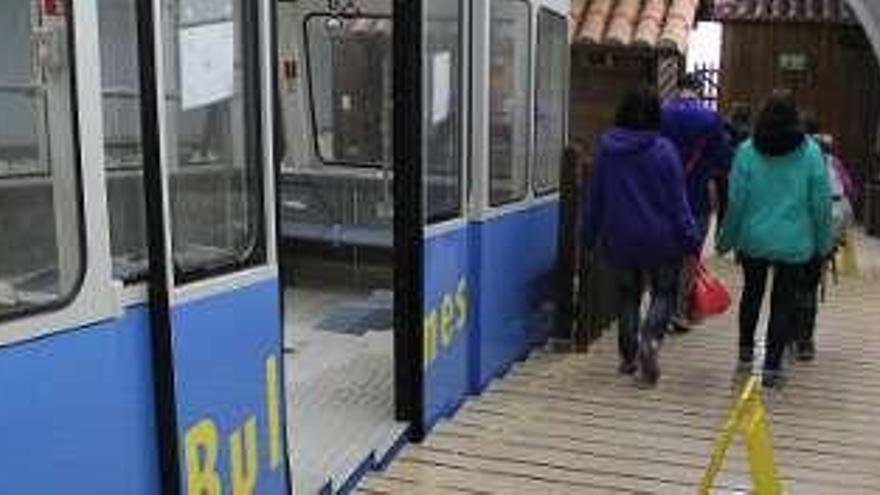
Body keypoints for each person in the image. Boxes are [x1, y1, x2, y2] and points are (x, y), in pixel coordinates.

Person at [582, 88, 702, 386]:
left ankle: (628, 357)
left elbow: (594, 199)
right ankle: (650, 339)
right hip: (661, 240)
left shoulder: (606, 150)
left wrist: (587, 236)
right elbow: (678, 203)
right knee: (663, 293)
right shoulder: (664, 150)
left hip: (619, 238)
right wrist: (690, 239)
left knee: (628, 296)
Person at [716, 91, 834, 388]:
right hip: (795, 241)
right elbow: (820, 204)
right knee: (784, 302)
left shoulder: (746, 151)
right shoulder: (810, 153)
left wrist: (725, 239)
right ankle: (771, 366)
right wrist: (824, 243)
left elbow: (736, 201)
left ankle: (745, 352)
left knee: (752, 293)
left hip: (753, 238)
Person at [661, 73, 732, 333]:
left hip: (663, 198)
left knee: (666, 253)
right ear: (699, 91)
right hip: (696, 197)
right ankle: (679, 311)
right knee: (690, 255)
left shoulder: (661, 113)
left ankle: (661, 307)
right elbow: (723, 159)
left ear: (678, 89)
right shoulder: (710, 118)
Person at [793, 133, 854, 361]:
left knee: (790, 283)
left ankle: (789, 332)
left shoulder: (796, 164)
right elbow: (849, 190)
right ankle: (805, 340)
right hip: (824, 232)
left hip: (795, 234)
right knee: (810, 286)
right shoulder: (834, 166)